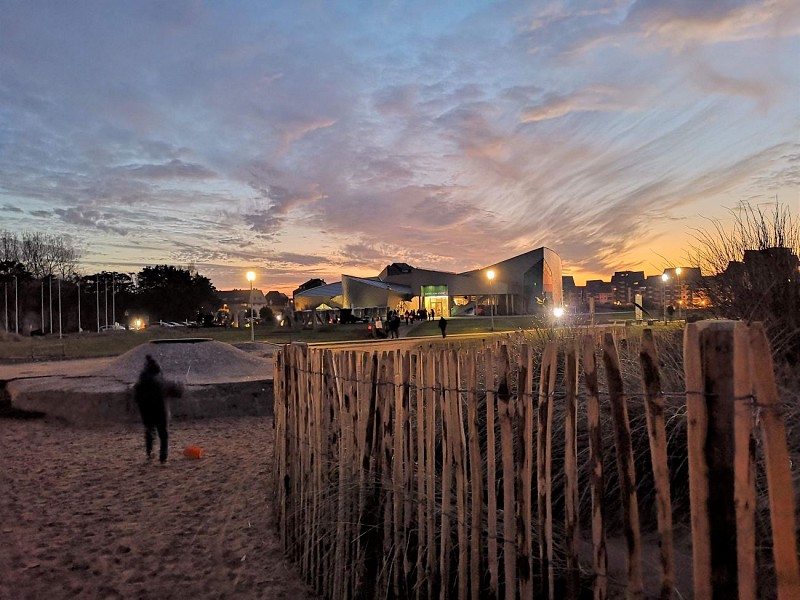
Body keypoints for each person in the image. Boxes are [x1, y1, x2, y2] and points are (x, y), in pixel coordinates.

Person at [133, 355, 181, 465]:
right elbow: (176, 391)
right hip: (160, 414)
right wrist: (180, 386)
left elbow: (136, 397)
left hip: (146, 414)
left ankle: (149, 454)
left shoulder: (140, 383)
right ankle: (163, 458)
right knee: (163, 435)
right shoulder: (161, 382)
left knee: (149, 431)